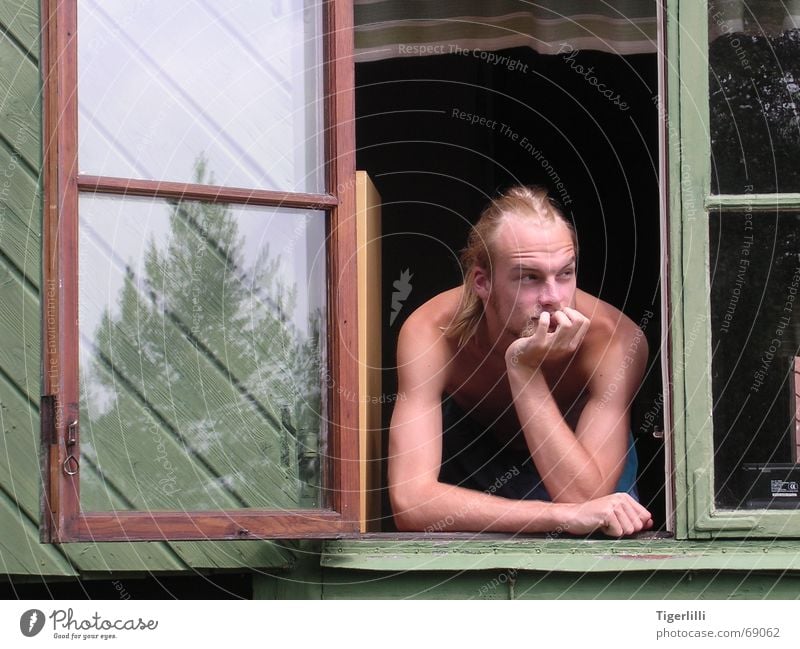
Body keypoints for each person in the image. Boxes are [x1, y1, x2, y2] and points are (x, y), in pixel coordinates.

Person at [388, 186, 653, 537]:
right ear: (482, 282)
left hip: (579, 466)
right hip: (473, 462)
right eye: (530, 277)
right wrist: (557, 517)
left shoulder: (614, 339)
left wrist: (525, 372)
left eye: (565, 273)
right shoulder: (431, 332)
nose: (554, 298)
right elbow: (410, 502)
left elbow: (586, 498)